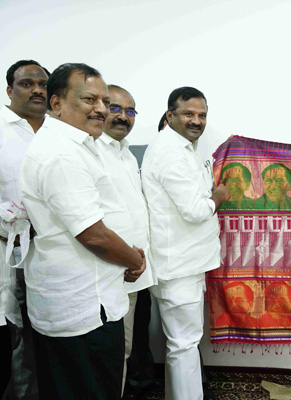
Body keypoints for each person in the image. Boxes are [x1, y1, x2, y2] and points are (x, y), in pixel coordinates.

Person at [20, 63, 146, 399]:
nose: (102, 109)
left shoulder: (77, 144)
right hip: (82, 308)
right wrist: (134, 260)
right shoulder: (62, 153)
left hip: (93, 297)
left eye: (105, 101)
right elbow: (93, 234)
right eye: (90, 99)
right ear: (57, 103)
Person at [142, 86, 230, 400]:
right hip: (178, 265)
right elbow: (195, 210)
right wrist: (219, 197)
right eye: (188, 114)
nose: (196, 121)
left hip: (187, 262)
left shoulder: (187, 148)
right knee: (184, 344)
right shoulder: (169, 151)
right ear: (170, 115)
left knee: (183, 344)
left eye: (201, 115)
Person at [96, 84, 156, 395]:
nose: (123, 117)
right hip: (109, 269)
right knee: (111, 354)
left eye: (130, 111)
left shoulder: (126, 154)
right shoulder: (92, 151)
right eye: (115, 108)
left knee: (124, 349)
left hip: (132, 271)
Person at [0, 59, 49, 400]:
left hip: (53, 249)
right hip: (9, 249)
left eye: (43, 84)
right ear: (9, 90)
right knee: (16, 333)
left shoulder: (58, 131)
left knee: (48, 330)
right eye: (27, 84)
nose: (37, 90)